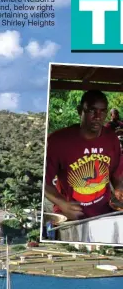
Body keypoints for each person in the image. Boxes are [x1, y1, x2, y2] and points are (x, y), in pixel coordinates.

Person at [45, 90, 123, 220]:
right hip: (71, 215)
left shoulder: (111, 139)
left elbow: (116, 172)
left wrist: (119, 187)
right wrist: (62, 203)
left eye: (102, 111)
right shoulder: (57, 141)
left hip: (103, 212)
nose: (98, 116)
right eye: (92, 110)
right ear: (80, 110)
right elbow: (44, 182)